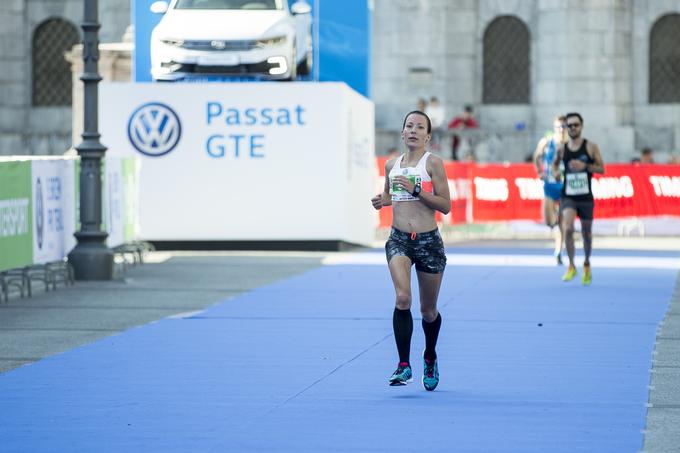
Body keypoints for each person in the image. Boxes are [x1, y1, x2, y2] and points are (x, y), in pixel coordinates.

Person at [371, 110, 451, 390]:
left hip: (428, 242)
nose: (414, 130)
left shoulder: (433, 164)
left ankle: (429, 355)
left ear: (428, 136)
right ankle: (403, 365)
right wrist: (382, 201)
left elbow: (445, 205)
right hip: (399, 240)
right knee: (402, 298)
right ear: (403, 133)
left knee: (428, 310)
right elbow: (390, 195)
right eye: (409, 126)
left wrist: (417, 190)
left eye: (420, 127)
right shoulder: (391, 164)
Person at [552, 112, 605, 286]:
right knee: (567, 228)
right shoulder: (562, 148)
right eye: (569, 125)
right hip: (568, 196)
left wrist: (586, 166)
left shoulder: (591, 147)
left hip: (585, 197)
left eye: (576, 125)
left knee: (586, 233)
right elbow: (554, 165)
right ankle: (572, 266)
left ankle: (587, 263)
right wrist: (556, 174)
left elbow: (601, 169)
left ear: (581, 126)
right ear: (566, 128)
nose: (573, 128)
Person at [533, 115, 566, 264]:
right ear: (554, 128)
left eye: (564, 127)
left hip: (565, 187)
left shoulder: (571, 144)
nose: (561, 130)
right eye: (558, 127)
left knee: (562, 221)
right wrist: (539, 172)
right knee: (548, 220)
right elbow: (536, 157)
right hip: (550, 185)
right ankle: (556, 232)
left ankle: (559, 250)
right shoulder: (547, 142)